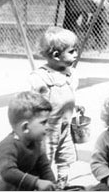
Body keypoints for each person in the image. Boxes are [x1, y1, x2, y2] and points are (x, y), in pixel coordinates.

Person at [28, 26, 81, 189]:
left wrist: (76, 106)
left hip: (65, 125)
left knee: (65, 154)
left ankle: (62, 181)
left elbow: (69, 95)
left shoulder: (70, 73)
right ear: (56, 56)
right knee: (46, 156)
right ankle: (44, 183)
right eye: (72, 51)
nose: (76, 55)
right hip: (49, 127)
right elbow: (34, 102)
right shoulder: (41, 77)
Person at [0, 91, 56, 191]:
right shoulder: (9, 145)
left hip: (11, 185)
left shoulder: (36, 143)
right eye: (43, 122)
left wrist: (53, 185)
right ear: (25, 127)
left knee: (31, 174)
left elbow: (44, 167)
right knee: (7, 176)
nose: (48, 126)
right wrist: (37, 183)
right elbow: (7, 172)